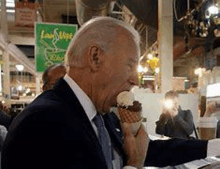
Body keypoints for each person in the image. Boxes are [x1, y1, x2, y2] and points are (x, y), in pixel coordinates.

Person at [2, 17, 220, 169]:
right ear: (95, 57)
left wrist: (215, 146)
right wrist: (133, 165)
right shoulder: (44, 122)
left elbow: (148, 150)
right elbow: (135, 157)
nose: (135, 80)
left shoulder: (100, 115)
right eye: (130, 64)